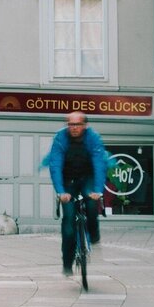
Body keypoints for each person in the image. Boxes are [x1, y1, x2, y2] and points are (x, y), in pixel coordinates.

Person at [46, 112, 107, 277]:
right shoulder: (60, 138)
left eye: (77, 125)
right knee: (68, 223)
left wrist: (97, 190)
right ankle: (67, 263)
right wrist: (60, 192)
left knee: (92, 204)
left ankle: (94, 235)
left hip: (88, 177)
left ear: (85, 125)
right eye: (70, 124)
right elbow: (55, 165)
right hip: (68, 180)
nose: (73, 128)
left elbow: (99, 163)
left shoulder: (92, 137)